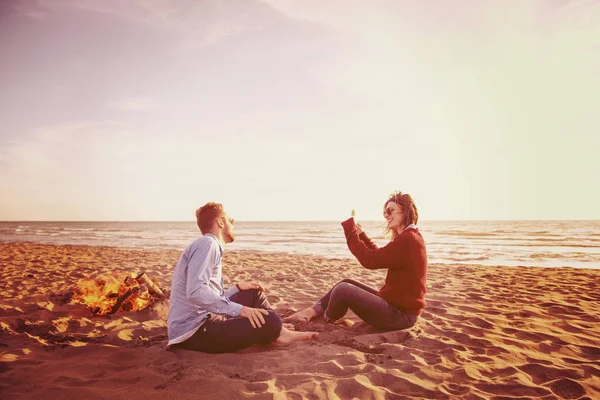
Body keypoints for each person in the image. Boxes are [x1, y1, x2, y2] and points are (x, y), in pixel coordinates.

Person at [167, 202, 317, 353]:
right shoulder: (208, 244)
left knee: (253, 293)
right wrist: (241, 310)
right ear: (220, 222)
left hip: (203, 319)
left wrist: (236, 289)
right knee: (270, 321)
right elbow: (196, 292)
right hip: (194, 331)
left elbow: (208, 297)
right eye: (230, 220)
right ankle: (278, 332)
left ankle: (280, 332)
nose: (233, 224)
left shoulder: (207, 245)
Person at [286, 192, 427, 330]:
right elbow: (379, 255)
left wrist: (350, 230)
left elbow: (370, 261)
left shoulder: (408, 240)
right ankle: (309, 313)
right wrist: (362, 236)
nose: (386, 215)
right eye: (385, 212)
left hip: (400, 316)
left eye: (390, 211)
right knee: (345, 282)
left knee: (343, 290)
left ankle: (327, 319)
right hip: (396, 308)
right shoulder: (410, 237)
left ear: (405, 211)